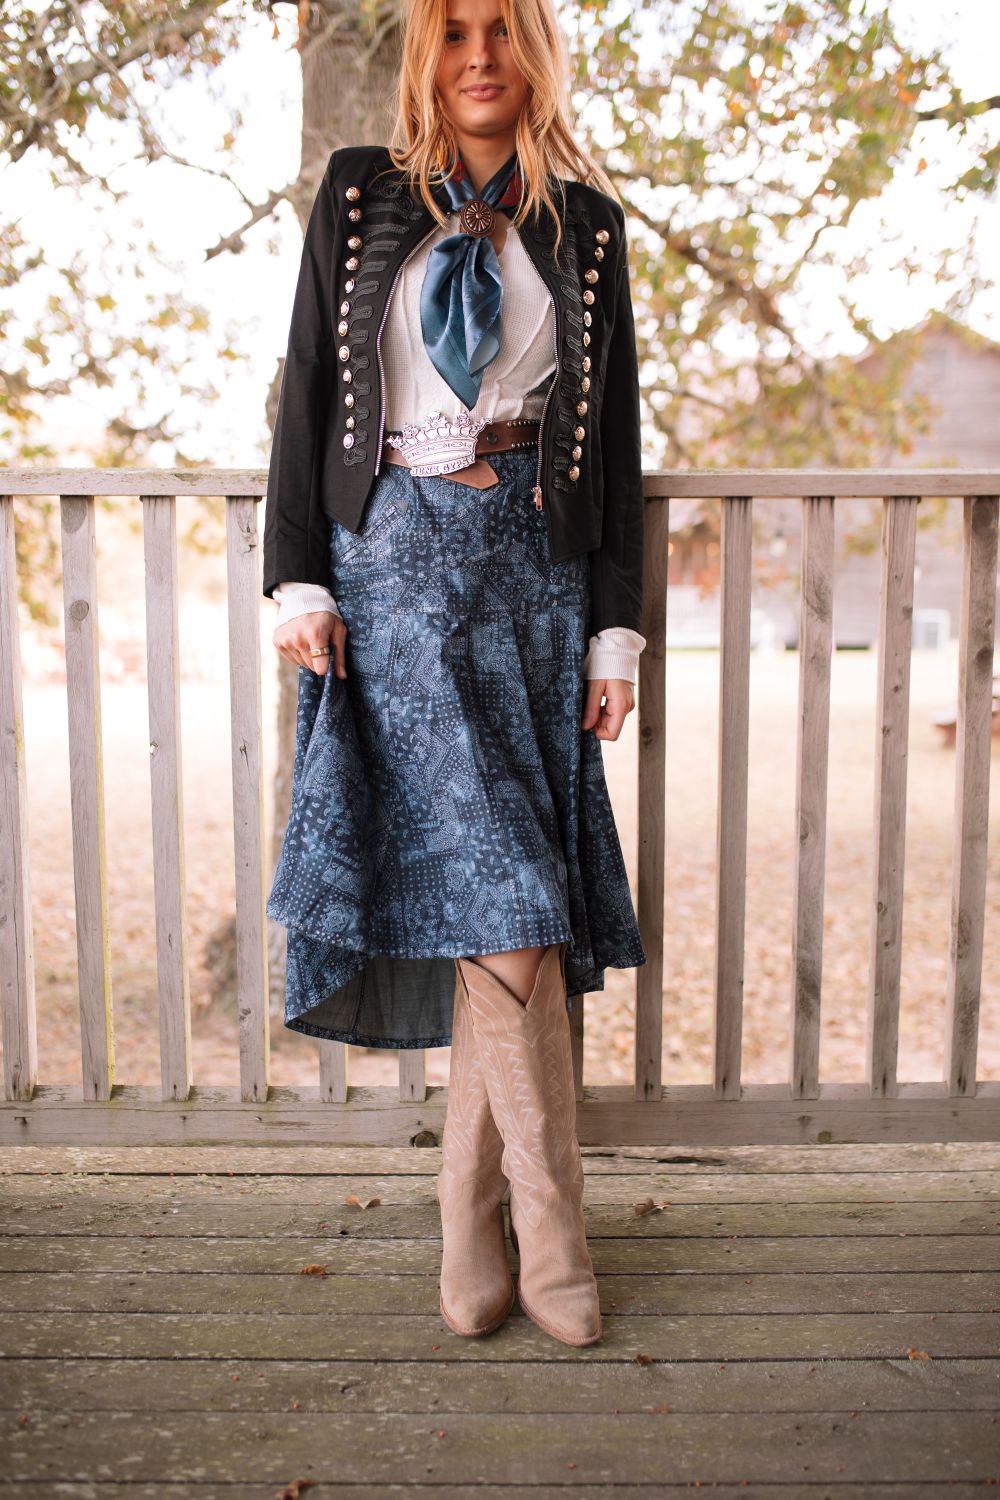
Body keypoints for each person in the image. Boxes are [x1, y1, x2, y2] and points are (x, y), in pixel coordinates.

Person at [262, 0, 647, 1349]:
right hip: (393, 580)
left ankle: (468, 1215)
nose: (479, 53)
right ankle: (554, 1225)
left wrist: (614, 632)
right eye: (454, 30)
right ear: (427, 55)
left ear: (534, 53)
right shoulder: (358, 192)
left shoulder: (587, 227)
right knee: (516, 898)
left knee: (510, 906)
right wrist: (297, 578)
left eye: (501, 28)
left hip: (535, 578)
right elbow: (306, 387)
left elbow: (617, 441)